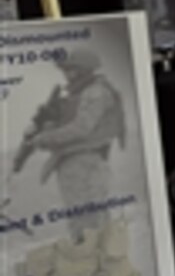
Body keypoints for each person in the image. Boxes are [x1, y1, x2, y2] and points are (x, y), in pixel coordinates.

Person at [14, 49, 125, 238]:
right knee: (91, 218)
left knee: (84, 220)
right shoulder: (81, 93)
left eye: (71, 69)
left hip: (82, 162)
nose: (66, 74)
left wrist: (43, 138)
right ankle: (96, 259)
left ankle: (90, 260)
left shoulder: (95, 92)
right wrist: (47, 124)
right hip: (81, 161)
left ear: (84, 70)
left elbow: (81, 128)